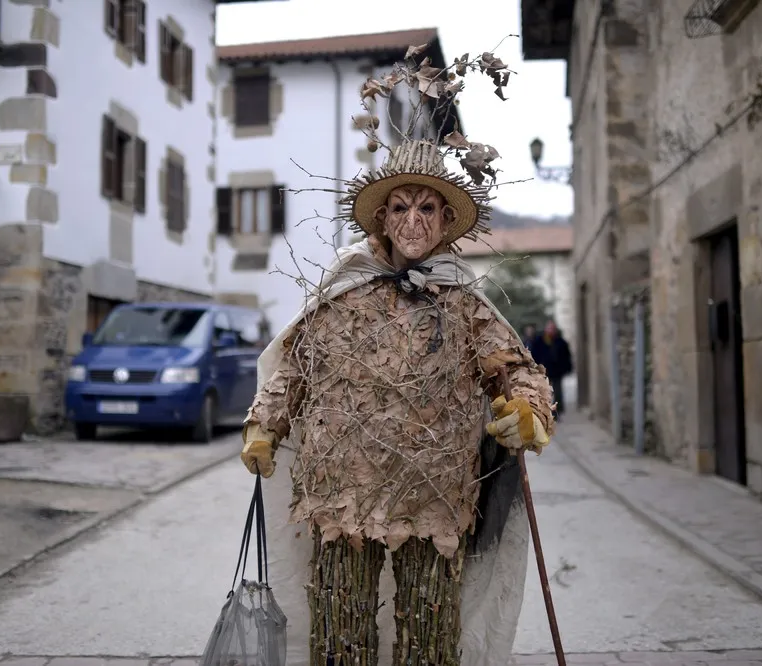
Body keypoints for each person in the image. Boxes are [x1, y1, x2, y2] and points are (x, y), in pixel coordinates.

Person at [238, 110, 555, 664]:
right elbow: (295, 366)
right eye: (401, 207)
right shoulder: (344, 291)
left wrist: (528, 411)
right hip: (341, 498)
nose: (413, 221)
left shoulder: (463, 303)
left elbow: (519, 369)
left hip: (434, 501)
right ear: (382, 218)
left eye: (427, 208)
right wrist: (265, 425)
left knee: (428, 642)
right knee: (341, 638)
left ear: (445, 220)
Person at [529, 319, 573, 416]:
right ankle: (545, 410)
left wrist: (567, 368)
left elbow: (566, 356)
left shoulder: (560, 342)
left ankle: (557, 411)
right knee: (545, 392)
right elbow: (534, 354)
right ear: (546, 329)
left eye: (553, 329)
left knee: (558, 392)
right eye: (549, 328)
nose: (551, 331)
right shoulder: (539, 341)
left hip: (557, 371)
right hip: (544, 371)